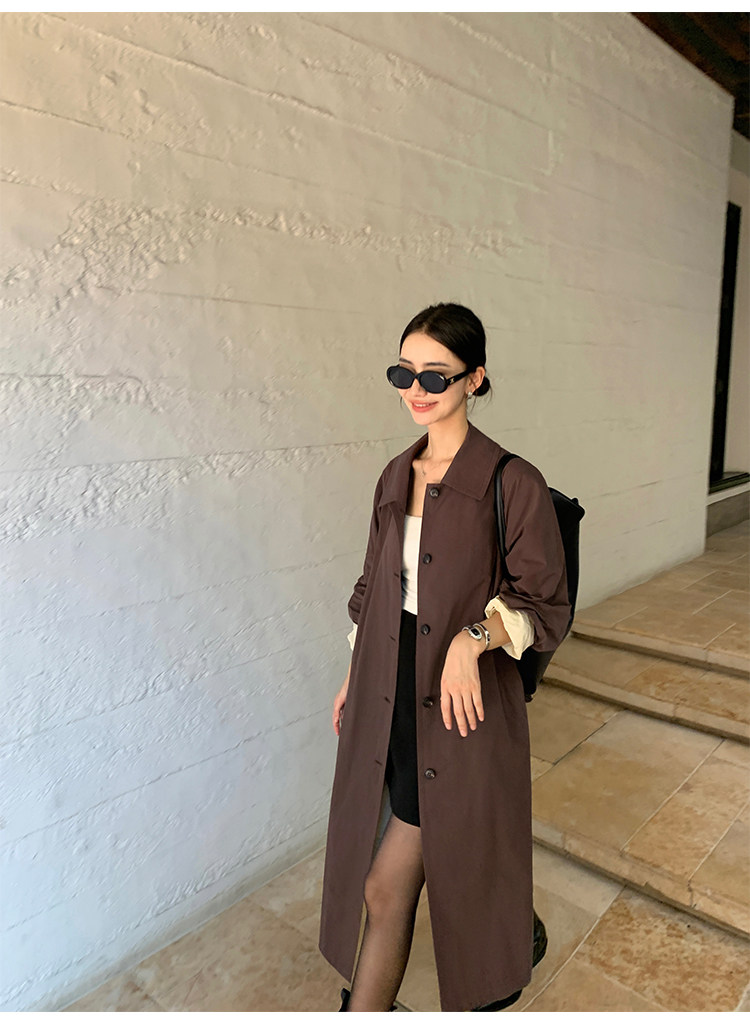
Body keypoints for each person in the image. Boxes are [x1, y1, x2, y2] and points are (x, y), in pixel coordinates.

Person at [318, 303, 570, 1012]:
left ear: (475, 379)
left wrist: (472, 638)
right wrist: (353, 675)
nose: (417, 389)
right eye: (404, 373)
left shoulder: (512, 481)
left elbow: (545, 603)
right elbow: (375, 589)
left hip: (462, 707)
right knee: (394, 876)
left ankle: (493, 955)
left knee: (428, 876)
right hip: (392, 694)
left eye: (436, 374)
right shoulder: (395, 474)